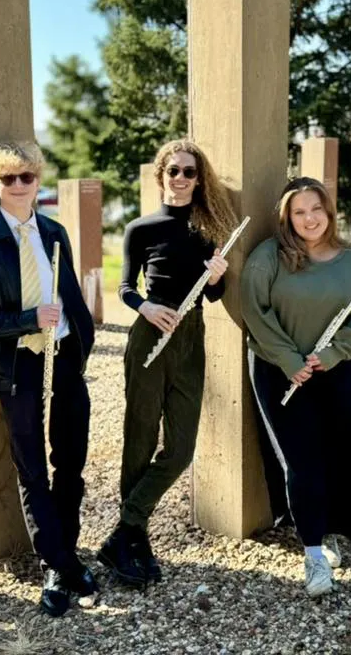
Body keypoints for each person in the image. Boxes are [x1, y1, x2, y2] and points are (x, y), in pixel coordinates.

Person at [0, 142, 97, 617]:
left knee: (71, 461)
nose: (18, 186)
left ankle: (67, 553)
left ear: (37, 182)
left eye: (26, 178)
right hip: (18, 366)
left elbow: (69, 293)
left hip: (64, 358)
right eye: (8, 179)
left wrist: (80, 342)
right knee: (32, 468)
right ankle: (55, 565)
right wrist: (27, 319)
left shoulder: (54, 232)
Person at [98, 139, 235, 587]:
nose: (180, 178)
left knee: (180, 449)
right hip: (149, 332)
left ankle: (124, 531)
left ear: (199, 180)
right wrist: (145, 307)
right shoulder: (141, 228)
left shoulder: (208, 228)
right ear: (160, 176)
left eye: (189, 172)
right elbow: (123, 287)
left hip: (191, 336)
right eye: (173, 170)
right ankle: (135, 540)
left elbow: (213, 296)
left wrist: (218, 278)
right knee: (138, 438)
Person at [241, 177, 351, 598]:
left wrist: (336, 352)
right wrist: (289, 360)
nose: (309, 219)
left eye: (316, 209)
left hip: (338, 368)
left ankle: (331, 528)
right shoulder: (268, 257)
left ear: (329, 211)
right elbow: (255, 310)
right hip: (279, 370)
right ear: (287, 217)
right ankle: (314, 553)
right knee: (302, 460)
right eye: (299, 212)